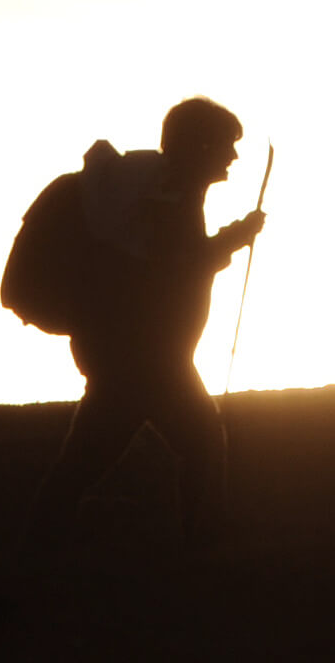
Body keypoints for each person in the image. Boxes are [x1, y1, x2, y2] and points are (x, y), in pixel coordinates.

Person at [28, 96, 268, 546]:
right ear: (200, 145)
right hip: (147, 358)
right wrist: (236, 237)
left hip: (128, 355)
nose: (233, 156)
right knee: (201, 444)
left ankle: (38, 545)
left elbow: (171, 263)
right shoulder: (169, 198)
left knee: (88, 458)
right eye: (225, 144)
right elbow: (174, 266)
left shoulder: (163, 194)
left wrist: (231, 238)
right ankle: (202, 553)